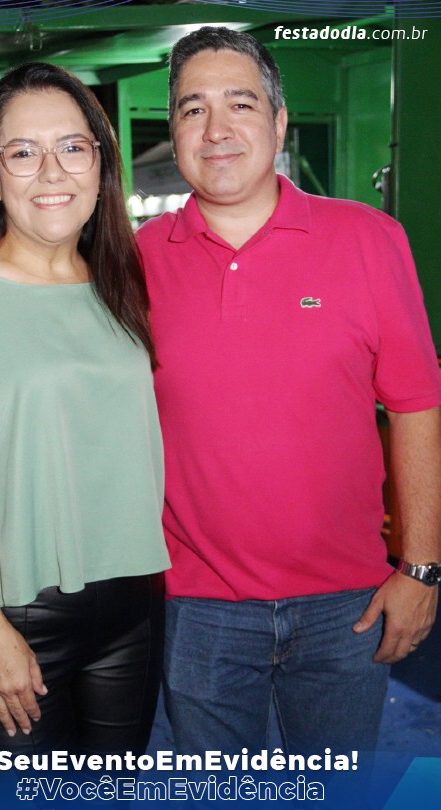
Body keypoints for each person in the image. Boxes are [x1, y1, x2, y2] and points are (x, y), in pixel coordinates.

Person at [137, 27, 441, 755]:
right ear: (174, 132)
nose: (216, 130)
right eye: (192, 109)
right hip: (197, 610)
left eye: (240, 105)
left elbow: (415, 404)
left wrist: (422, 568)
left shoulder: (369, 238)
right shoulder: (135, 260)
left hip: (347, 605)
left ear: (278, 124)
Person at [0, 62, 170, 755]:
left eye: (73, 147)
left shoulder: (119, 280)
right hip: (5, 616)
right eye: (22, 152)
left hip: (132, 610)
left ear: (101, 165)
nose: (53, 171)